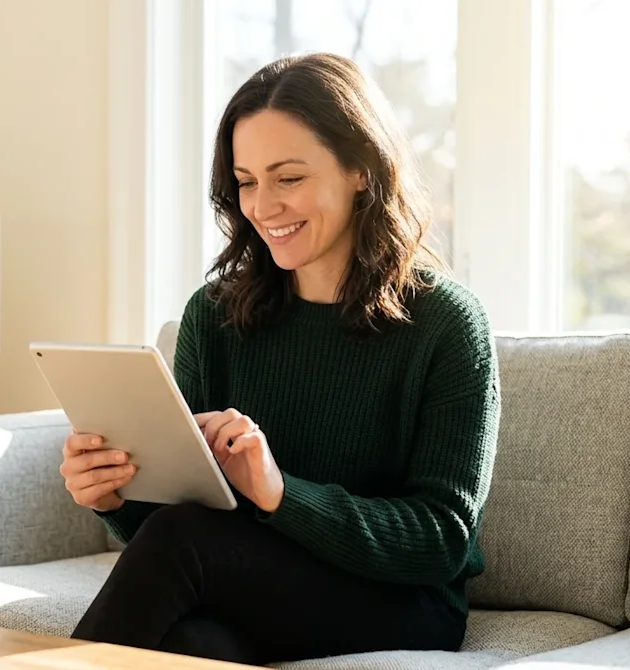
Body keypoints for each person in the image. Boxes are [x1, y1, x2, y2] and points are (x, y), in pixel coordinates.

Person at [57, 52, 501, 666]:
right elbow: (179, 521)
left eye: (288, 178)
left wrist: (279, 493)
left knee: (183, 548)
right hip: (247, 581)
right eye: (245, 181)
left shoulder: (447, 323)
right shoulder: (213, 318)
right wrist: (113, 496)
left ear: (360, 171)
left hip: (401, 600)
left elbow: (441, 540)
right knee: (194, 647)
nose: (263, 207)